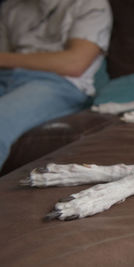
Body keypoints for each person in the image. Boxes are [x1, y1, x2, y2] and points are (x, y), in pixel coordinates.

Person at [0, 0, 112, 170]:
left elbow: (74, 63)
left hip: (59, 84)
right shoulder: (10, 7)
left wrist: (5, 59)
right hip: (7, 76)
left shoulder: (90, 4)